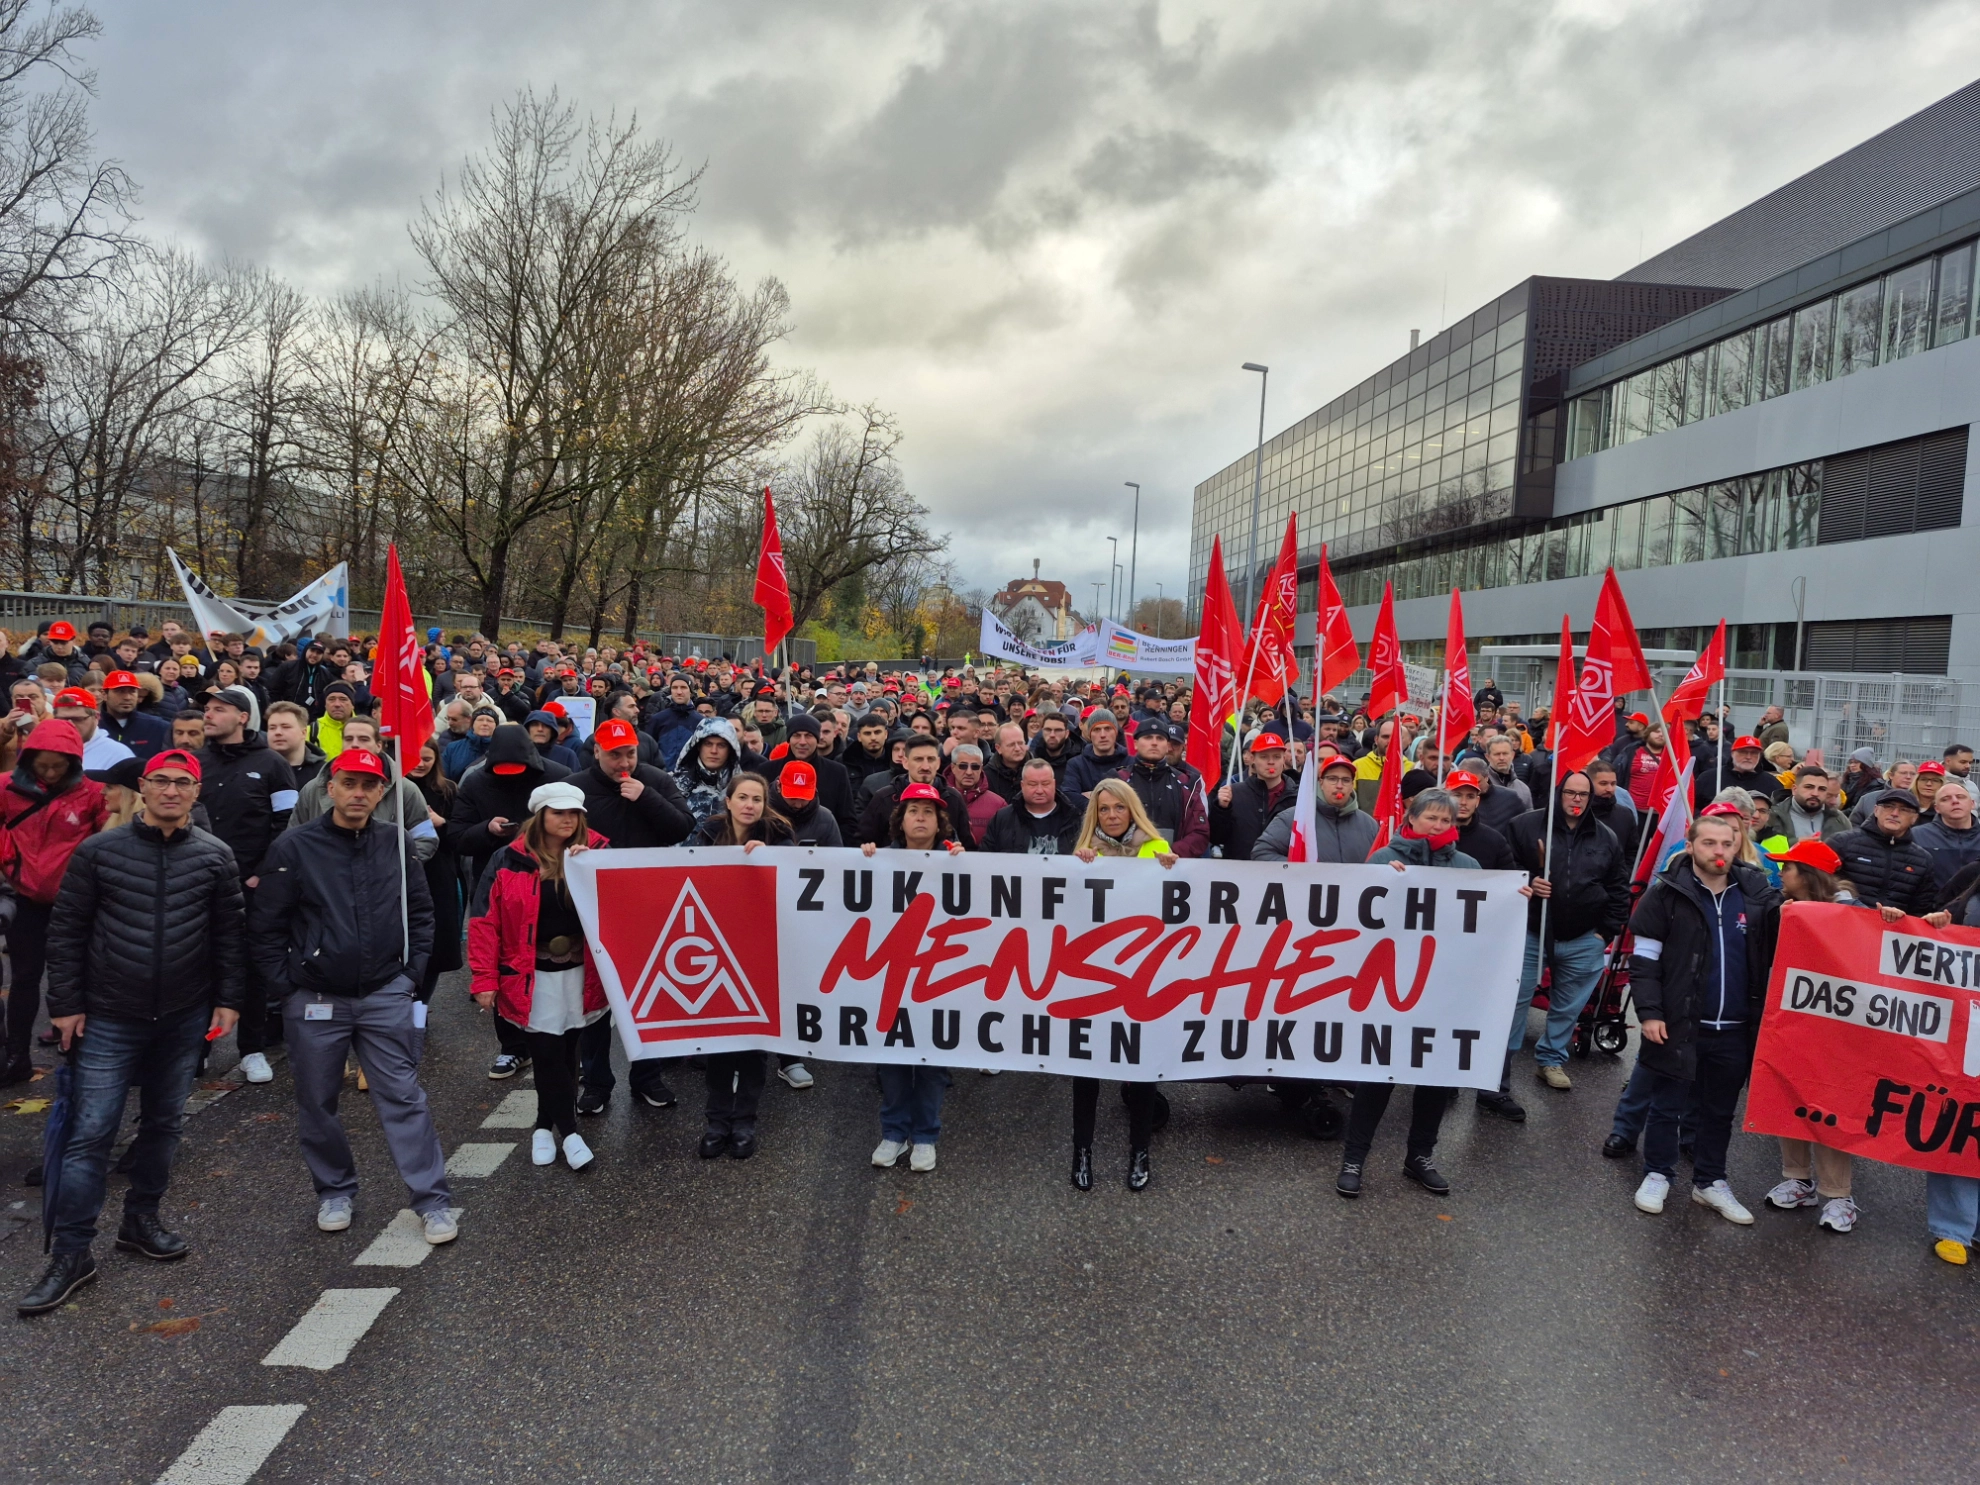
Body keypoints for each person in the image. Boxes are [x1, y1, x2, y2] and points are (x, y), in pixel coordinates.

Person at [16, 750, 245, 1316]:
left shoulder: (216, 857)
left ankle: (141, 1220)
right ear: (142, 788)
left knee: (163, 1124)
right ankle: (71, 1254)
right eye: (161, 782)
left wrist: (229, 1000)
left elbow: (229, 937)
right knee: (91, 1135)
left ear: (196, 792)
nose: (171, 791)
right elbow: (66, 932)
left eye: (182, 783)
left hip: (183, 1015)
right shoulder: (99, 852)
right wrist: (64, 1005)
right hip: (109, 1014)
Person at [250, 747, 454, 1243]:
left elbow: (421, 916)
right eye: (350, 783)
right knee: (318, 1102)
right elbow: (266, 925)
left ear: (383, 791)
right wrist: (288, 989)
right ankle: (334, 1190)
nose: (359, 793)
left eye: (370, 784)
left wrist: (409, 977)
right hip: (315, 997)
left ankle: (433, 1201)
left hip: (386, 992)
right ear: (331, 787)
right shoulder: (294, 847)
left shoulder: (396, 842)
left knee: (404, 1097)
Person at [1627, 812, 1781, 1225]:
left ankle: (1710, 1182)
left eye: (1727, 844)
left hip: (1734, 1029)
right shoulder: (1664, 895)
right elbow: (1643, 962)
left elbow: (1800, 927)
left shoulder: (1758, 895)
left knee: (1718, 1111)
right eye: (1709, 843)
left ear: (1738, 846)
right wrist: (1650, 1013)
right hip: (1679, 1024)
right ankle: (1658, 1173)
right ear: (1690, 845)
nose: (1719, 851)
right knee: (1666, 1106)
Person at [1337, 789, 1479, 1200]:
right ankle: (1354, 1159)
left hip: (1441, 988)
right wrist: (1379, 882)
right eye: (1431, 818)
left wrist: (1515, 898)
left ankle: (1420, 1157)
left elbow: (1482, 917)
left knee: (1434, 1077)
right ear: (1411, 819)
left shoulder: (1468, 867)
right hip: (1390, 987)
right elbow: (1356, 918)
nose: (1438, 826)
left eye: (1446, 821)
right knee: (1379, 1076)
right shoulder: (1384, 859)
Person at [468, 780, 605, 1172]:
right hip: (528, 975)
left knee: (568, 1051)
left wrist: (591, 869)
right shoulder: (507, 859)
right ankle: (570, 1131)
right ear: (540, 815)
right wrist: (483, 978)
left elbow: (623, 906)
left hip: (582, 972)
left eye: (574, 812)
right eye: (558, 811)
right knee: (545, 1054)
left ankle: (543, 1126)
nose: (567, 819)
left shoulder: (596, 852)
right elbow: (483, 921)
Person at [1487, 770, 1630, 1115]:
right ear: (1558, 794)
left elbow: (1618, 887)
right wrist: (1531, 882)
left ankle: (1550, 1059)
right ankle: (1495, 1074)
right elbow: (1505, 870)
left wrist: (1605, 933)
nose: (1577, 799)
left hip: (1583, 937)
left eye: (1583, 794)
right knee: (1514, 1005)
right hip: (1531, 932)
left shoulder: (1606, 836)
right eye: (1570, 792)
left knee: (1567, 1006)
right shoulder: (1524, 826)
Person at [1064, 779, 1177, 1193]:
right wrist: (1078, 868)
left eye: (1119, 808)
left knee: (1141, 1066)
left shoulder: (1155, 849)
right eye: (1105, 809)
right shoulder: (1083, 852)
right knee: (1087, 1068)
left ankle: (1140, 1150)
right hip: (1093, 976)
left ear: (1132, 811)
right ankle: (1082, 1150)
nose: (1112, 815)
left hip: (1141, 975)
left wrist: (1172, 868)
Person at [445, 721, 572, 1080]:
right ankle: (513, 1048)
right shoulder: (475, 782)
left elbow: (576, 823)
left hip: (553, 881)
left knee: (557, 962)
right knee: (505, 963)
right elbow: (457, 837)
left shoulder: (559, 776)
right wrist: (486, 829)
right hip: (497, 879)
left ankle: (562, 1041)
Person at [1754, 839, 1864, 1233]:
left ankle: (1839, 1196)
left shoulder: (1854, 914)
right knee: (1789, 1098)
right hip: (1789, 1023)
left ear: (1808, 875)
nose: (1780, 874)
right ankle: (1798, 1179)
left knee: (1828, 1107)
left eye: (1788, 868)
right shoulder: (1783, 907)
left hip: (1835, 1034)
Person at [686, 772, 794, 1155]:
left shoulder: (779, 836)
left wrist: (766, 860)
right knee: (719, 1043)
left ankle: (745, 1123)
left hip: (760, 952)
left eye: (757, 799)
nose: (750, 805)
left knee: (752, 1044)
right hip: (715, 951)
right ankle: (716, 1122)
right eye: (743, 797)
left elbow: (794, 888)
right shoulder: (707, 835)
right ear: (728, 801)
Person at [859, 782, 964, 1171]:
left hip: (938, 974)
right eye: (913, 812)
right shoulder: (879, 859)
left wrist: (966, 864)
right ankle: (892, 1132)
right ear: (899, 821)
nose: (920, 818)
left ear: (940, 823)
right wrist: (865, 860)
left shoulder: (956, 860)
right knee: (893, 1058)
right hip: (891, 975)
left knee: (933, 1061)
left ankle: (925, 1137)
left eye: (928, 813)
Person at [198, 684, 299, 1086]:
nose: (209, 714)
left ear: (242, 717)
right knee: (199, 967)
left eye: (219, 708)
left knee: (252, 970)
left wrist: (263, 873)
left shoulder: (273, 764)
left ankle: (251, 1050)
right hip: (200, 885)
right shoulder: (196, 762)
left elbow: (287, 826)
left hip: (253, 884)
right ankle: (199, 1047)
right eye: (207, 708)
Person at [0, 718, 108, 1083]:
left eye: (57, 766)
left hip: (76, 904)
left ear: (74, 763)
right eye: (41, 765)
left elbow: (106, 841)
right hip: (26, 899)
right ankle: (16, 1055)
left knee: (79, 981)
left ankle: (78, 1053)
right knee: (25, 979)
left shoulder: (92, 794)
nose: (48, 772)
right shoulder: (6, 789)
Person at [1828, 788, 1940, 918]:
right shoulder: (1842, 842)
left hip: (1892, 932)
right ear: (1876, 810)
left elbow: (1921, 909)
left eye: (1904, 809)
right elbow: (1821, 886)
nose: (1895, 813)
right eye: (1888, 806)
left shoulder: (1922, 859)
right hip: (1844, 924)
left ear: (1914, 818)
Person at [1211, 731, 1296, 864]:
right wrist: (1221, 809)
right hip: (1240, 875)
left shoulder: (1298, 798)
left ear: (1284, 759)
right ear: (1252, 759)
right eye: (1264, 757)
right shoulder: (1234, 793)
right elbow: (1216, 838)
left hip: (1283, 876)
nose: (1271, 762)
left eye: (1277, 757)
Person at [980, 757, 1085, 855]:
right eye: (1032, 784)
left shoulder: (1074, 819)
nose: (1039, 790)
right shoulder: (1002, 819)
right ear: (1022, 785)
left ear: (1054, 784)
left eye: (1045, 783)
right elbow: (985, 858)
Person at [96, 670, 170, 762]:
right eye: (120, 691)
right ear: (104, 695)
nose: (127, 697)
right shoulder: (91, 726)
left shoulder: (158, 727)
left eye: (132, 691)